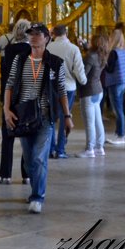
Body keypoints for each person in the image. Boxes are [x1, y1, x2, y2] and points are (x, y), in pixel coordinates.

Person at [2, 23, 73, 214]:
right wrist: (6, 109)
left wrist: (67, 115)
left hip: (44, 117)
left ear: (47, 38)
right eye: (30, 33)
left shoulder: (55, 63)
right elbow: (9, 85)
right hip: (23, 116)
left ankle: (37, 196)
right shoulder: (20, 59)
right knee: (28, 160)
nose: (33, 36)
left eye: (37, 33)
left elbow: (61, 91)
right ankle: (35, 189)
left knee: (39, 158)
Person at [0, 18, 32, 184]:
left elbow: (6, 76)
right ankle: (27, 175)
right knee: (27, 138)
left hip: (10, 97)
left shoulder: (9, 50)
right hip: (27, 99)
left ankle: (5, 174)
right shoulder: (33, 50)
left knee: (7, 138)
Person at [47, 24, 87, 158]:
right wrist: (84, 81)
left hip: (51, 87)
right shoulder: (73, 49)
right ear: (66, 33)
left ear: (53, 34)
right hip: (68, 87)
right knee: (65, 117)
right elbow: (79, 71)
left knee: (51, 118)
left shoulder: (48, 47)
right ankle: (60, 150)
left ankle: (51, 149)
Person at [77, 28, 107, 157]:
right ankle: (99, 147)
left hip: (89, 91)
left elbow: (83, 74)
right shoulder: (102, 55)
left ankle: (90, 149)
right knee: (97, 120)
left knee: (89, 122)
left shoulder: (91, 56)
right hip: (98, 90)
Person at [105, 29, 125, 144]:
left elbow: (110, 69)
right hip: (123, 81)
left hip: (115, 81)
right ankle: (118, 132)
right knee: (119, 107)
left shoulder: (114, 52)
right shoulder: (123, 51)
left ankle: (121, 135)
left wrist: (103, 62)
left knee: (118, 109)